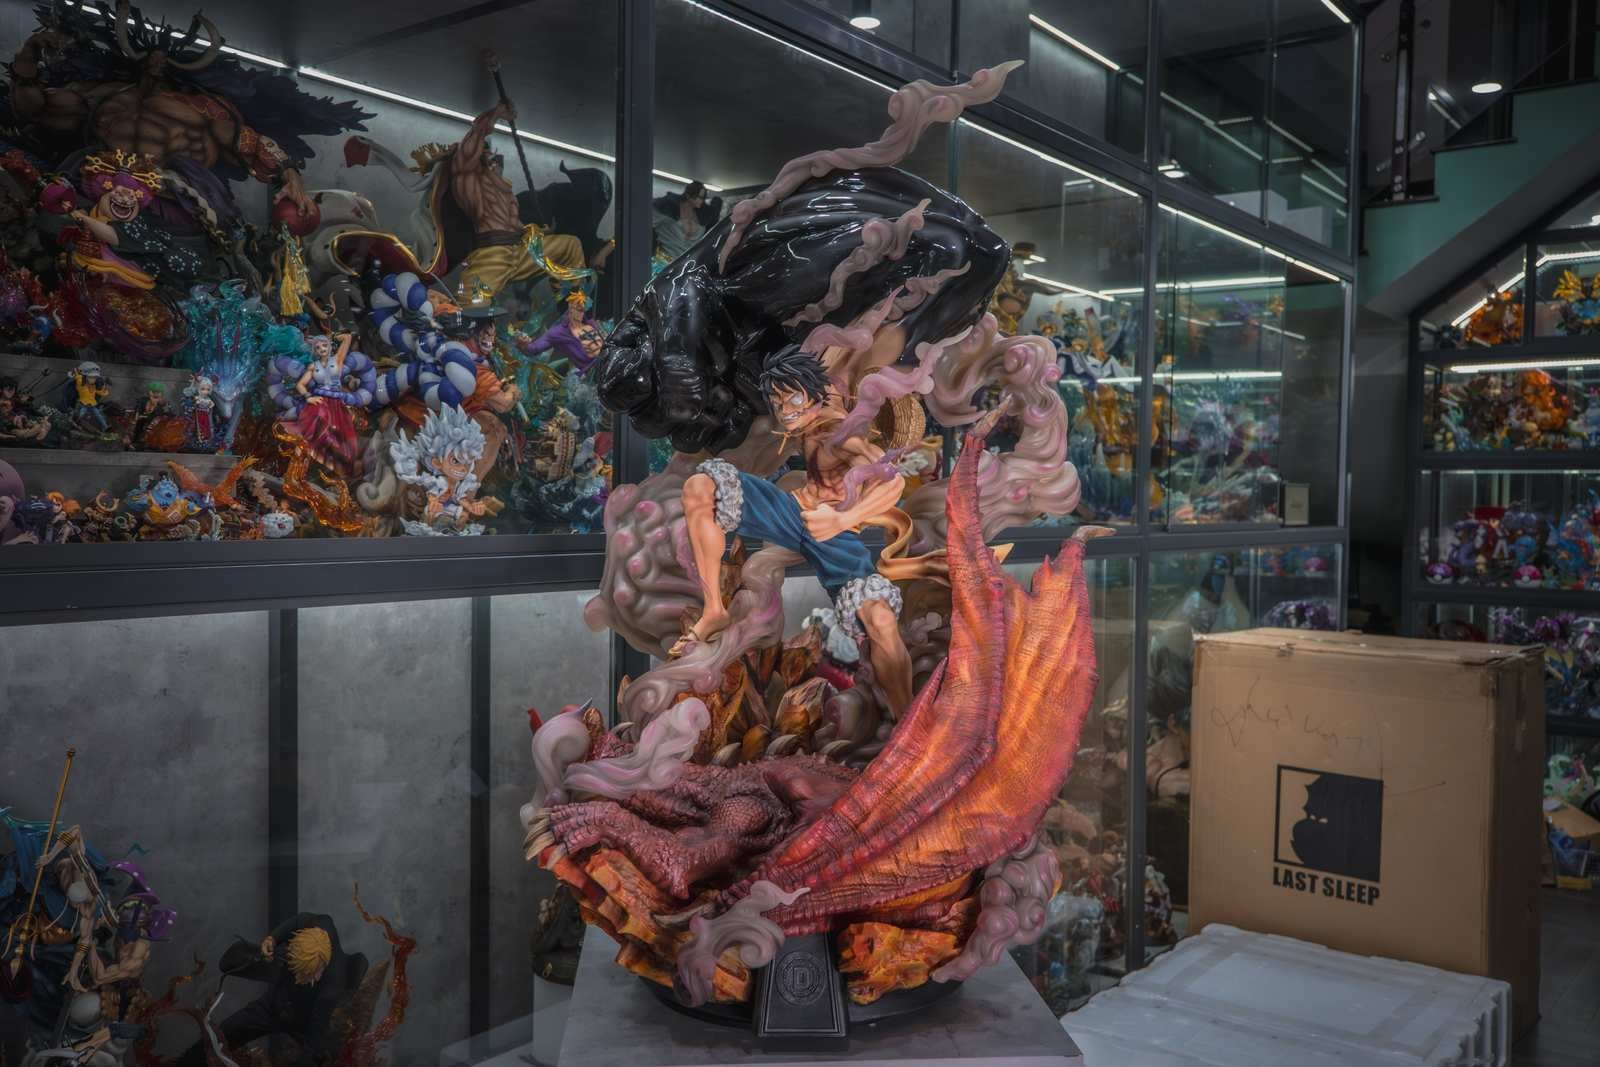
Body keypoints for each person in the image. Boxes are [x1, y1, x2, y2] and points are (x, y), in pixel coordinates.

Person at [678, 346, 913, 713]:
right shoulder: (805, 427)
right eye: (777, 401)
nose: (785, 409)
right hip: (792, 513)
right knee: (701, 486)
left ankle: (907, 718)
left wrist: (843, 520)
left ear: (816, 395)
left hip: (833, 535)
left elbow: (893, 482)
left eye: (795, 398)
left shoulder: (839, 433)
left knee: (880, 621)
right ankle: (714, 610)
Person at [175, 913, 367, 1067]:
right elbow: (298, 920)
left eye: (309, 975)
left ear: (323, 965)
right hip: (275, 1004)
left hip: (305, 1022)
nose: (305, 979)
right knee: (225, 1033)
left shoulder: (332, 986)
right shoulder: (322, 924)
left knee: (323, 1056)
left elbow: (315, 1032)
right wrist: (273, 938)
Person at [449, 100, 588, 301]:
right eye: (483, 151)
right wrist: (496, 113)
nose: (490, 156)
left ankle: (571, 308)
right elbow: (474, 137)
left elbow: (515, 225)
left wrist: (540, 233)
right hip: (492, 254)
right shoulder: (467, 176)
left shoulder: (502, 189)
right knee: (470, 306)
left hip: (519, 252)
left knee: (570, 245)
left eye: (489, 152)